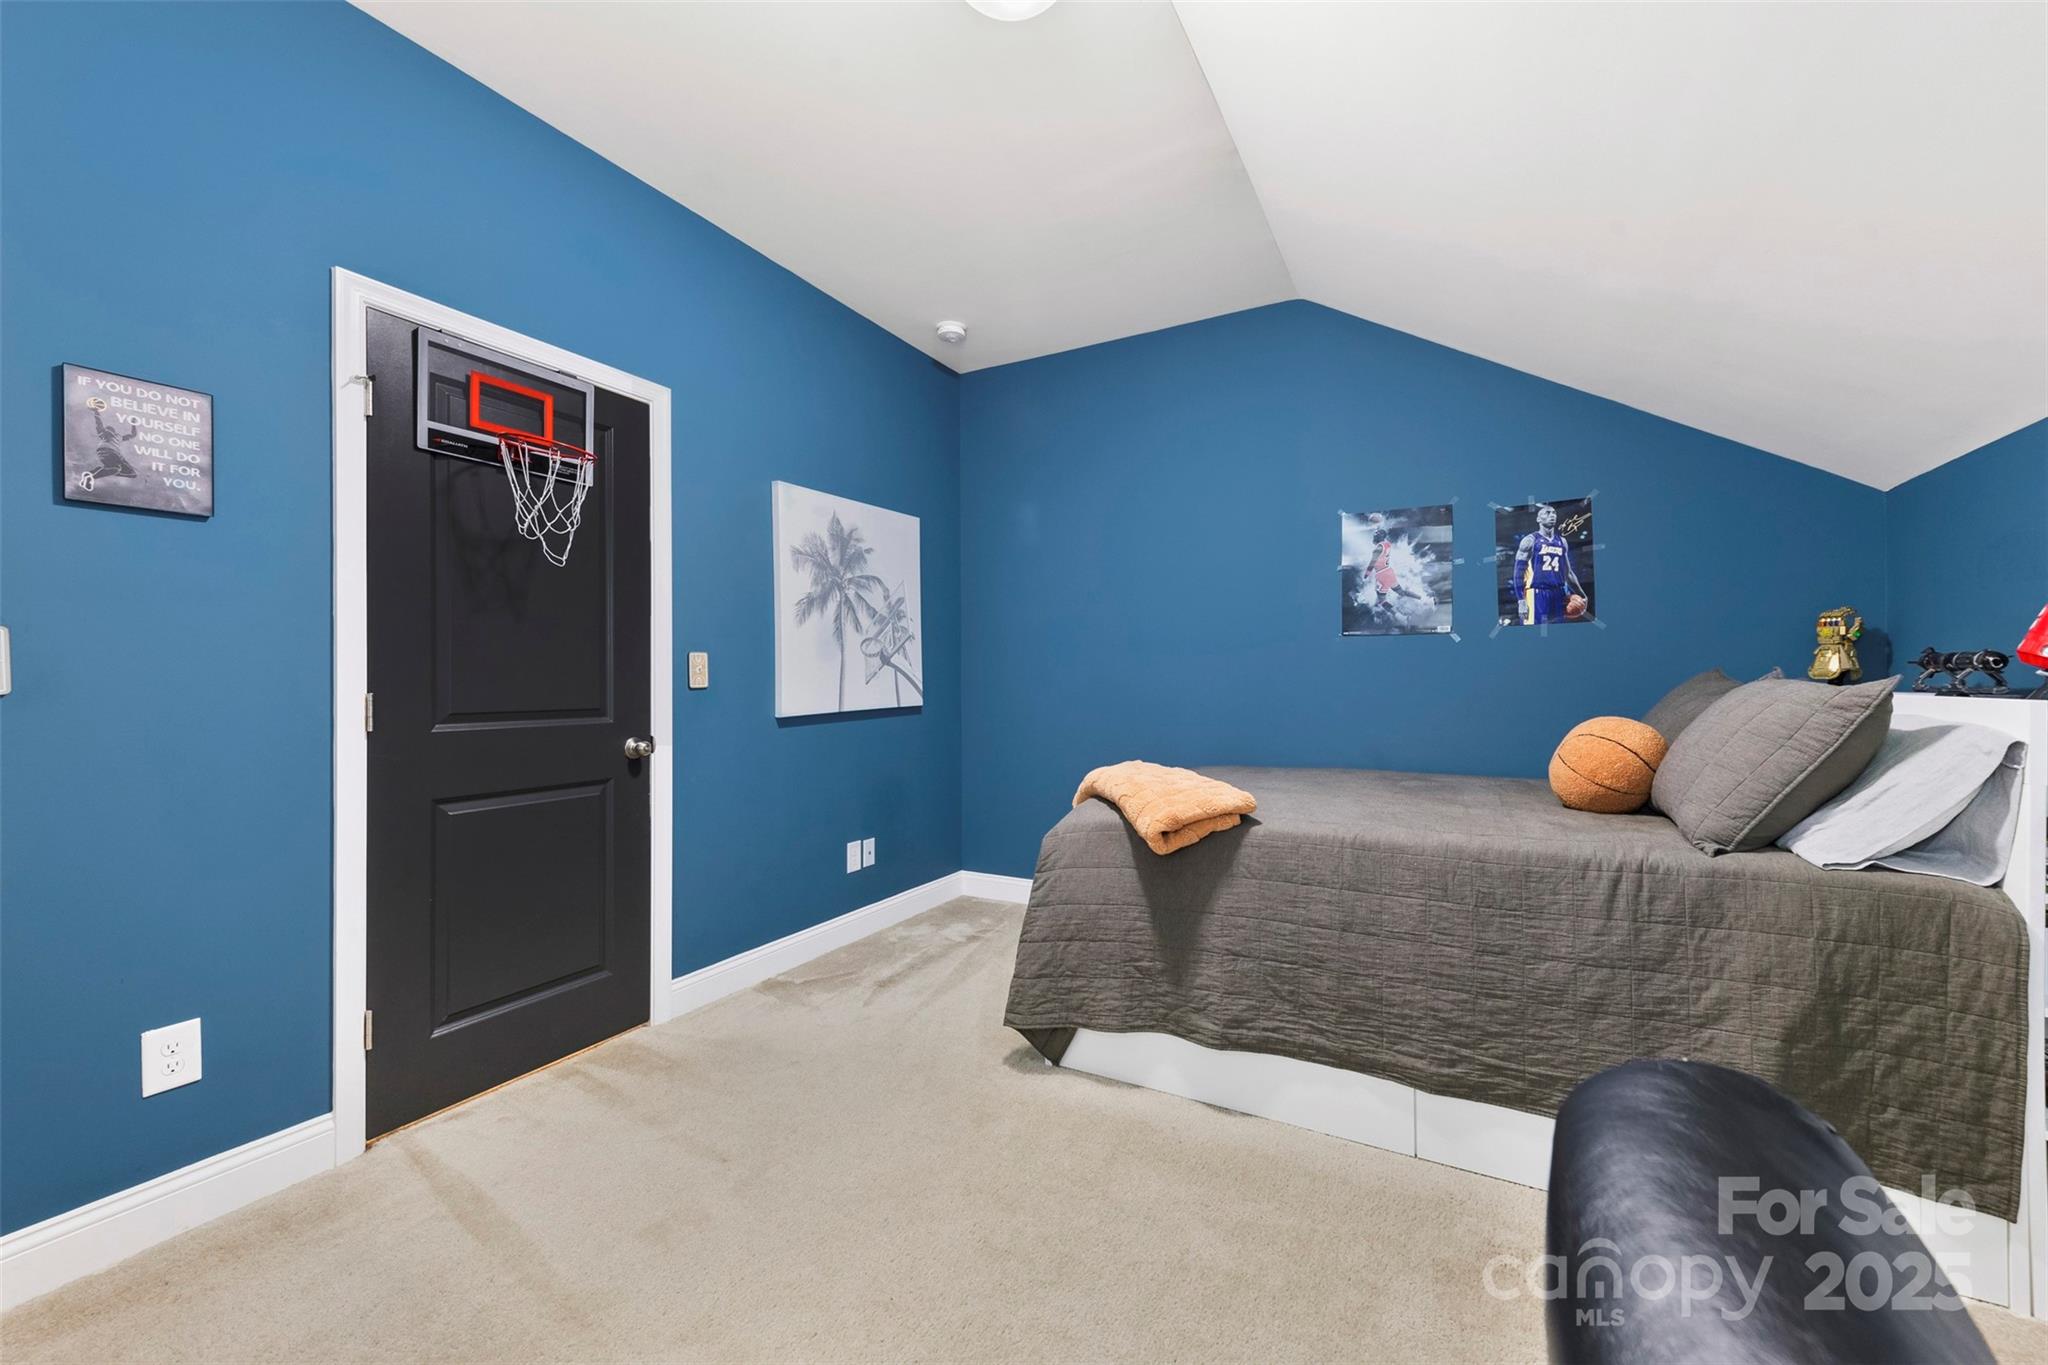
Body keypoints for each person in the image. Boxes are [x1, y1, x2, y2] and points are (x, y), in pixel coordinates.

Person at [1510, 504, 1586, 624]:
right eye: (1547, 513)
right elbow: (1518, 573)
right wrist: (1521, 600)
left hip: (1559, 593)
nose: (1552, 515)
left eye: (1554, 513)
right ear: (1538, 519)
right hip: (1536, 593)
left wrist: (1582, 595)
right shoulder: (1530, 541)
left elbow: (1569, 573)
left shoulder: (1562, 541)